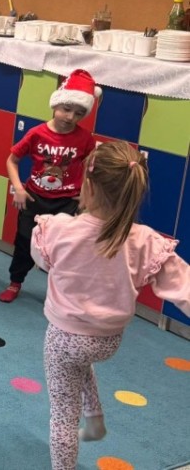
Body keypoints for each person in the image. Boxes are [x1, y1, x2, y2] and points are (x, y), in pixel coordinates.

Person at [31, 141, 190, 470]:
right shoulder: (145, 240)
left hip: (64, 337)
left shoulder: (59, 228)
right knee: (80, 363)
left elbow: (42, 261)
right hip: (107, 341)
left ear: (88, 186)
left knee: (62, 415)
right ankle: (95, 420)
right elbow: (183, 287)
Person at [0, 69, 99, 303]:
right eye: (66, 109)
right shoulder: (36, 134)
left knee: (62, 249)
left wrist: (86, 193)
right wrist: (19, 189)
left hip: (66, 202)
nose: (70, 117)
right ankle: (15, 282)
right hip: (34, 198)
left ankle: (59, 292)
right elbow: (12, 160)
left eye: (79, 113)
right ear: (55, 104)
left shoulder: (85, 139)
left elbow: (92, 168)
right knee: (24, 242)